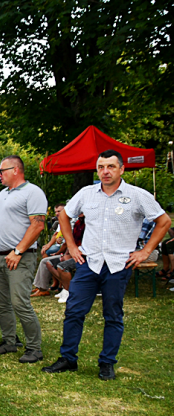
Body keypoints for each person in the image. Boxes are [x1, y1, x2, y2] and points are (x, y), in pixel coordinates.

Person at [43, 150, 170, 380]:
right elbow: (65, 217)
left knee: (113, 315)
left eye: (111, 166)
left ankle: (107, 363)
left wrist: (146, 251)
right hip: (88, 262)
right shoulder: (86, 193)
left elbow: (164, 221)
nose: (105, 171)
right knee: (74, 311)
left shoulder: (137, 195)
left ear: (121, 169)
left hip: (119, 265)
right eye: (101, 167)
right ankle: (68, 358)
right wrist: (71, 246)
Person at [0, 155, 47, 363]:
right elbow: (1, 224)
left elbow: (37, 225)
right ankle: (9, 341)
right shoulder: (3, 194)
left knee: (20, 302)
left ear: (15, 170)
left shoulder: (33, 192)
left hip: (19, 257)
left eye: (2, 171)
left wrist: (18, 251)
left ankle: (34, 348)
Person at [31, 204, 67, 297]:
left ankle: (51, 285)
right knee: (46, 252)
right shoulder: (60, 222)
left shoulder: (69, 222)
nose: (57, 213)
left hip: (65, 249)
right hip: (60, 246)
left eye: (59, 211)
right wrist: (47, 245)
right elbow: (55, 235)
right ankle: (46, 285)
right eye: (56, 212)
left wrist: (57, 252)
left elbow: (66, 243)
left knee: (47, 254)